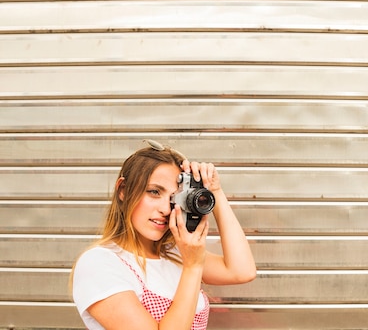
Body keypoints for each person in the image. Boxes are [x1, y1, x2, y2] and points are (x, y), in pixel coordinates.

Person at [71, 140, 256, 329]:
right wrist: (192, 267)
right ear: (123, 190)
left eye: (174, 197)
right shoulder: (99, 263)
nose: (166, 209)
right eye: (154, 192)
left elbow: (242, 271)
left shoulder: (174, 252)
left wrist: (215, 190)